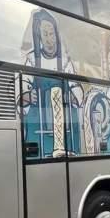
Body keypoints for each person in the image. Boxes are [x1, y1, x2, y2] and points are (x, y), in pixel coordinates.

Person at [21, 9, 83, 156]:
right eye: (45, 35)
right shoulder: (31, 60)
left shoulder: (66, 62)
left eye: (52, 34)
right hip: (38, 126)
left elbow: (78, 91)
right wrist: (27, 96)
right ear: (39, 38)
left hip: (66, 129)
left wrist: (72, 97)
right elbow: (21, 90)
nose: (50, 40)